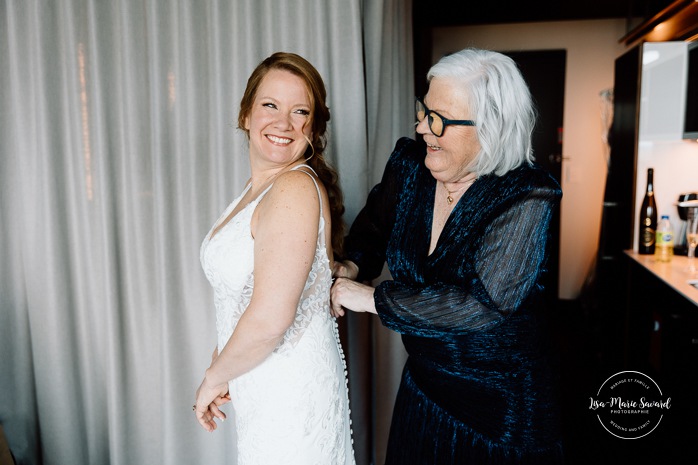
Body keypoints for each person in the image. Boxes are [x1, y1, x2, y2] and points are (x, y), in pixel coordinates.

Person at [331, 48, 563, 464]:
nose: (422, 127)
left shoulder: (528, 196)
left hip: (498, 415)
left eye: (438, 119)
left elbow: (483, 305)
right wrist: (350, 266)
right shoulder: (410, 165)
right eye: (424, 110)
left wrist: (369, 298)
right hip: (424, 390)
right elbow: (373, 231)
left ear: (489, 128)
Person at [195, 52, 355, 465]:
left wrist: (213, 378)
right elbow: (246, 297)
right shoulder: (259, 188)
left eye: (299, 111)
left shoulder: (292, 190)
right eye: (270, 105)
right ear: (246, 113)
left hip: (289, 392)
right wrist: (224, 362)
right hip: (263, 384)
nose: (283, 123)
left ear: (313, 127)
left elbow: (270, 315)